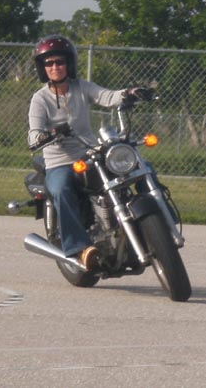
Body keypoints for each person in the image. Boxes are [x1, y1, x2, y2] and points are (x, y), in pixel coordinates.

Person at [27, 34, 145, 271]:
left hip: (90, 153)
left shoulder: (81, 87)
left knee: (138, 168)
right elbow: (33, 134)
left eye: (59, 62)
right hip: (59, 161)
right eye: (49, 63)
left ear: (69, 63)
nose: (55, 67)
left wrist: (130, 93)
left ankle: (153, 224)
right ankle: (80, 247)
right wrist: (46, 135)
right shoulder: (40, 99)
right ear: (42, 68)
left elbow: (107, 96)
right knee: (61, 189)